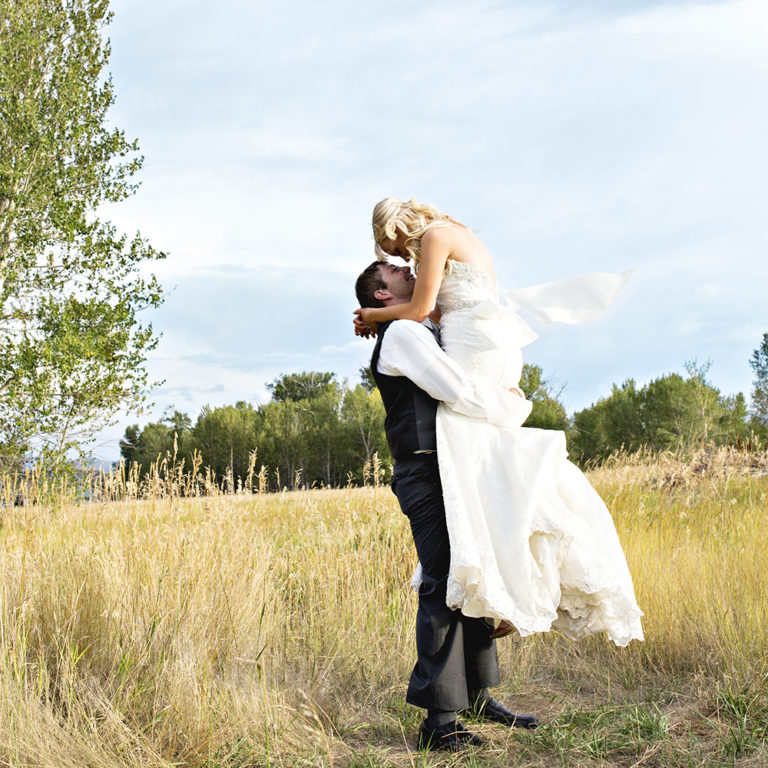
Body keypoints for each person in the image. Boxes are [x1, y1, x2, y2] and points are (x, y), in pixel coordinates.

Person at [354, 197, 644, 648]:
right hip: (487, 338)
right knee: (490, 463)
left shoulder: (433, 238)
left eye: (388, 247)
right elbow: (427, 311)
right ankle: (508, 584)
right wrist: (387, 315)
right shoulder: (450, 235)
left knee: (477, 454)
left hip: (475, 339)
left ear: (392, 225)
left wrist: (373, 315)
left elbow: (418, 310)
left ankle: (510, 584)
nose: (397, 257)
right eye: (391, 261)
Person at [354, 260, 539, 752]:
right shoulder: (401, 338)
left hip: (453, 465)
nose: (407, 268)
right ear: (381, 295)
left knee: (470, 574)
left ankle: (477, 697)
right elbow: (453, 388)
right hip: (426, 470)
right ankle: (439, 720)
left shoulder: (416, 328)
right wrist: (509, 405)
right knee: (442, 585)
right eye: (394, 271)